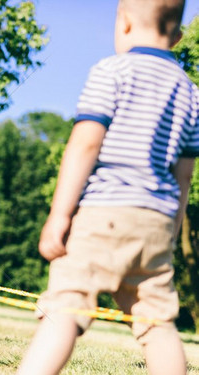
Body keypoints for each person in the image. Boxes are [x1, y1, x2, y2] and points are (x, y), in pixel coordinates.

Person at [17, 1, 198, 374]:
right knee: (156, 322)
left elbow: (85, 144)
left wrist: (59, 215)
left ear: (124, 23)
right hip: (158, 221)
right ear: (178, 36)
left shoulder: (112, 70)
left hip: (105, 211)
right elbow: (184, 175)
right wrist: (173, 228)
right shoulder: (191, 93)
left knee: (66, 306)